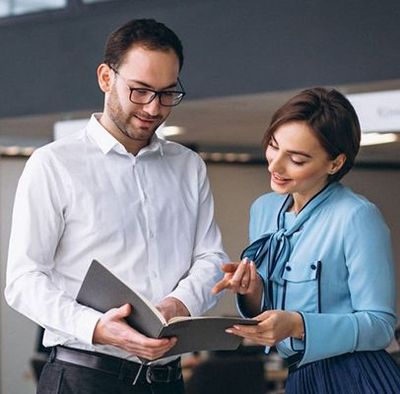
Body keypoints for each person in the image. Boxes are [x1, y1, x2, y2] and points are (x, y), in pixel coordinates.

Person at [5, 18, 227, 394]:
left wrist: (179, 303)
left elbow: (211, 257)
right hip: (83, 378)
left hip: (167, 381)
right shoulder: (54, 164)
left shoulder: (189, 166)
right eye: (140, 91)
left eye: (167, 93)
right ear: (106, 78)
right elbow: (23, 281)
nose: (154, 108)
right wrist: (95, 328)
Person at [213, 87, 400, 393]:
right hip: (299, 376)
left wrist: (298, 324)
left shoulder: (357, 217)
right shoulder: (264, 209)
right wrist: (254, 290)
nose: (275, 165)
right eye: (273, 146)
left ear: (335, 163)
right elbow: (272, 306)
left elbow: (380, 327)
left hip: (356, 375)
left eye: (296, 159)